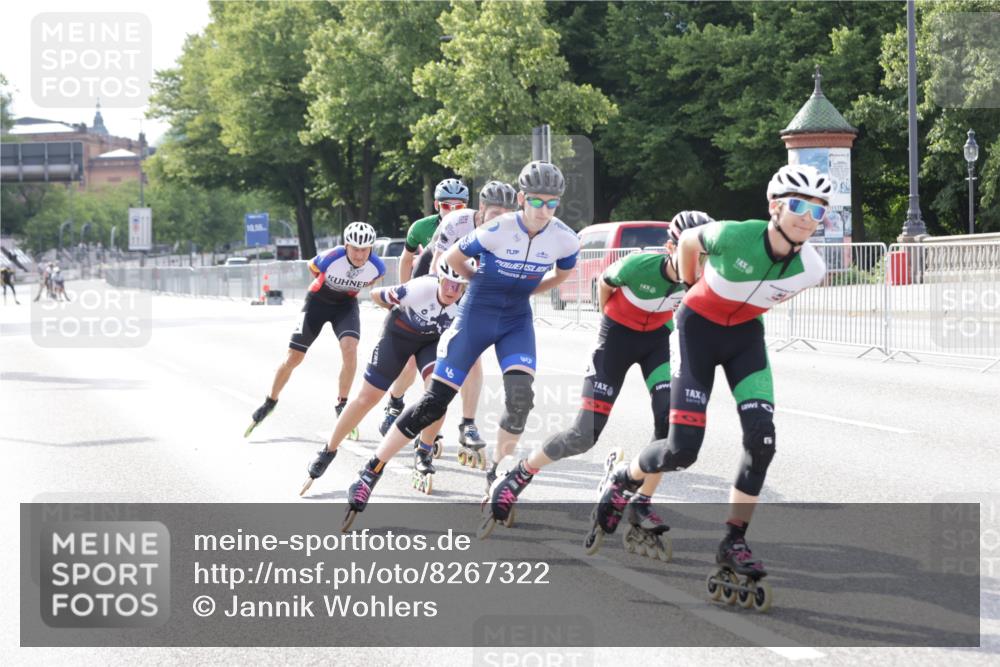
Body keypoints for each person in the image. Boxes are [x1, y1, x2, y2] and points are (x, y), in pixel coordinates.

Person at [592, 164, 830, 591]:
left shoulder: (811, 269)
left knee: (762, 440)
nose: (807, 219)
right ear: (775, 207)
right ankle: (624, 479)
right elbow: (687, 240)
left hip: (744, 339)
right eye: (798, 206)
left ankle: (733, 541)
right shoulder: (735, 235)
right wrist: (689, 281)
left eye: (818, 212)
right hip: (697, 330)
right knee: (682, 451)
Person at [341, 161, 580, 528]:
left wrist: (531, 290)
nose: (542, 211)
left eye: (552, 204)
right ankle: (371, 470)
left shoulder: (564, 237)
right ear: (521, 199)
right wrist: (478, 283)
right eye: (535, 202)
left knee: (520, 399)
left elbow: (563, 273)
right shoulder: (498, 228)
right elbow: (451, 258)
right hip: (476, 316)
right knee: (434, 402)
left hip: (516, 321)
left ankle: (497, 477)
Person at [485, 211, 715, 550]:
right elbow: (604, 285)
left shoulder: (705, 280)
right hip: (616, 340)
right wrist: (609, 324)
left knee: (669, 429)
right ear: (671, 248)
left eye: (707, 256)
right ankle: (518, 473)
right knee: (583, 434)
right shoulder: (639, 266)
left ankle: (640, 502)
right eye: (693, 254)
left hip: (657, 345)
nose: (700, 264)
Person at [300, 254, 474, 497]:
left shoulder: (468, 302)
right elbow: (375, 295)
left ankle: (424, 451)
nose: (452, 290)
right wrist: (397, 309)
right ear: (439, 279)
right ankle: (328, 450)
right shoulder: (419, 288)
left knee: (438, 396)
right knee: (367, 398)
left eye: (459, 286)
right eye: (448, 283)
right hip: (398, 337)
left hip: (431, 342)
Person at [245, 222, 384, 436]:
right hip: (317, 302)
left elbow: (370, 281)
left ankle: (342, 405)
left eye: (364, 249)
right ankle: (270, 401)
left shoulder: (377, 267)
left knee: (350, 348)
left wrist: (346, 288)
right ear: (346, 245)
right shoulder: (331, 256)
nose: (359, 254)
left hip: (345, 305)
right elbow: (313, 268)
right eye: (354, 248)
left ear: (371, 248)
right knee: (293, 358)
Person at [378, 178, 470, 435]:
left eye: (459, 205)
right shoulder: (421, 228)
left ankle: (443, 420)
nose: (452, 211)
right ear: (436, 205)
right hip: (425, 292)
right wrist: (404, 293)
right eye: (446, 206)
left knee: (454, 364)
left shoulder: (473, 227)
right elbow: (407, 259)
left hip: (455, 297)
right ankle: (396, 401)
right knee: (409, 364)